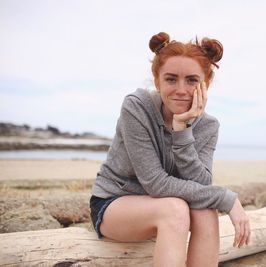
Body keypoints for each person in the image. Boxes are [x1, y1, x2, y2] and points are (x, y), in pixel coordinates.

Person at [90, 32, 250, 267]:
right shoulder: (137, 107)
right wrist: (227, 199)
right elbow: (155, 183)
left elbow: (202, 183)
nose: (181, 89)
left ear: (206, 83)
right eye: (171, 79)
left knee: (205, 212)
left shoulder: (208, 126)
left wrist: (182, 130)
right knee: (175, 209)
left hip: (170, 210)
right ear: (157, 81)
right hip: (114, 204)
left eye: (192, 80)